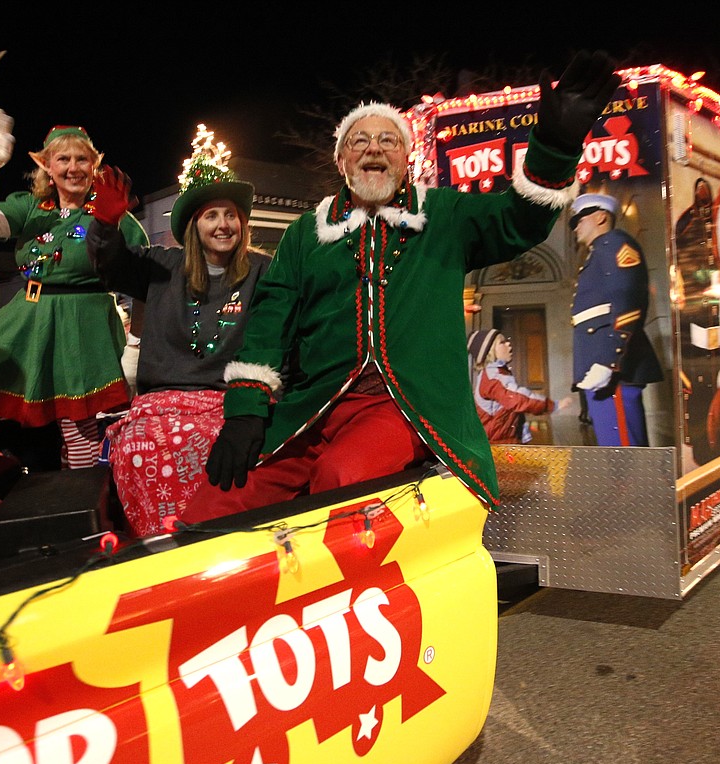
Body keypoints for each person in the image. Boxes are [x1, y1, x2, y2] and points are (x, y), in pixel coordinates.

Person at [178, 50, 621, 521]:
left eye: (388, 140)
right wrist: (247, 408)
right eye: (360, 140)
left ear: (406, 158)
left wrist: (554, 145)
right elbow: (269, 321)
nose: (374, 148)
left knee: (341, 480)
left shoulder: (446, 215)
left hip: (400, 407)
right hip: (315, 408)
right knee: (220, 500)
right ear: (341, 160)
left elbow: (520, 220)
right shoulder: (306, 234)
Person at [0, 109, 148, 468]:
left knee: (79, 429)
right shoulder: (31, 207)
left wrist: (135, 345)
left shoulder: (113, 214)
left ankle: (81, 508)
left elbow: (146, 283)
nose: (73, 167)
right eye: (63, 158)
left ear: (94, 164)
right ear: (47, 166)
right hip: (27, 317)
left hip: (82, 324)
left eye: (82, 158)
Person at [86, 126, 271, 536]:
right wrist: (104, 224)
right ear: (193, 226)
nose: (223, 225)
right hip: (160, 404)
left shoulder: (263, 271)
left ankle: (210, 543)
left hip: (226, 402)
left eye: (231, 215)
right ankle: (159, 547)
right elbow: (110, 264)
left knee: (219, 449)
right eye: (211, 216)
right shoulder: (162, 265)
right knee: (137, 446)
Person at [568, 191, 663, 446]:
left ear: (600, 217)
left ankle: (633, 489)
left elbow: (627, 298)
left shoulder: (613, 244)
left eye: (580, 219)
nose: (576, 226)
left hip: (612, 370)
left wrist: (609, 361)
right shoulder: (599, 252)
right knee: (614, 450)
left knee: (623, 452)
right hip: (602, 367)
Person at [468, 328, 569, 444]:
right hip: (498, 446)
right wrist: (552, 405)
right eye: (502, 342)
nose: (508, 344)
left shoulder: (496, 374)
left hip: (503, 441)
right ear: (489, 351)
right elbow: (518, 399)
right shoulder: (493, 377)